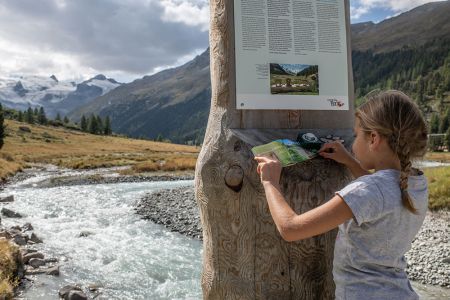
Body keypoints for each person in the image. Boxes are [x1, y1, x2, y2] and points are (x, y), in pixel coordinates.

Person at [254, 90, 428, 299]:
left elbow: (291, 228)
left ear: (373, 138)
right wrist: (350, 162)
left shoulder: (367, 190)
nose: (353, 143)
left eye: (356, 135)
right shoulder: (416, 182)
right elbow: (381, 196)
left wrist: (270, 182)